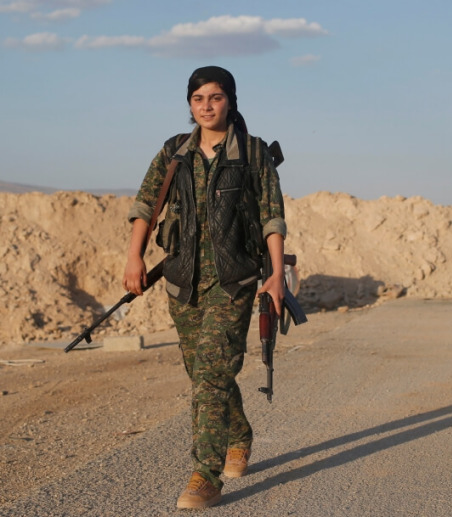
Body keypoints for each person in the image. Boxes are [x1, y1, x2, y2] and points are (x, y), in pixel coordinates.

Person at [123, 66, 287, 509]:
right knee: (202, 374)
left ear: (230, 101)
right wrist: (134, 256)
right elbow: (146, 204)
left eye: (215, 97)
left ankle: (205, 473)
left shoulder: (252, 152)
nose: (207, 106)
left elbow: (272, 215)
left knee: (212, 375)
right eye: (199, 98)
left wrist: (276, 274)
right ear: (190, 104)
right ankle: (240, 435)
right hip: (182, 282)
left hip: (233, 283)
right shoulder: (174, 151)